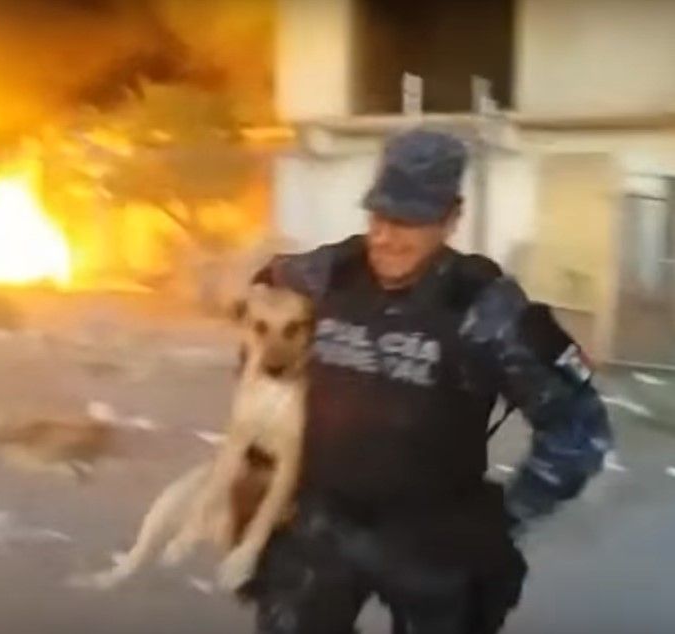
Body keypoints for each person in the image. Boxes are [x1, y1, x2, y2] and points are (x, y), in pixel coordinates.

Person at [240, 126, 612, 634]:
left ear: (451, 219)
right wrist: (262, 433)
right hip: (322, 524)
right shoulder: (329, 272)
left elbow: (579, 428)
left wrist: (509, 518)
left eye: (409, 222)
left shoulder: (486, 308)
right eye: (378, 217)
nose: (384, 238)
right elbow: (261, 293)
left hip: (433, 538)